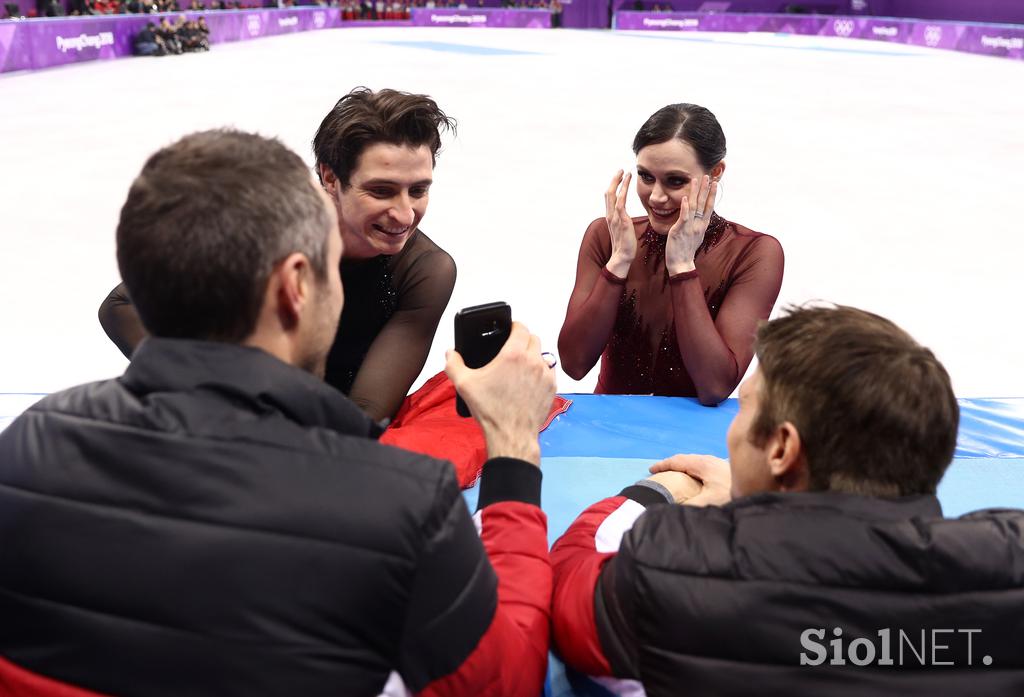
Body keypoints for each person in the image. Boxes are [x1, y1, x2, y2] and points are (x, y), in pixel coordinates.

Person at [0, 129, 557, 697]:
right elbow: (505, 678)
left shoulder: (24, 447)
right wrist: (512, 449)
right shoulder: (400, 504)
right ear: (295, 284)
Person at [550, 304, 1024, 695]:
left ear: (781, 448)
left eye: (745, 406)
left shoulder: (671, 563)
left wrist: (659, 494)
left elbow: (569, 581)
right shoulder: (1008, 561)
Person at [98, 88, 457, 423]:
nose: (405, 214)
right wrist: (214, 394)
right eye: (382, 191)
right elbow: (120, 306)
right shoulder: (262, 227)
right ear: (330, 178)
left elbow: (364, 413)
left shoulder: (424, 271)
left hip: (317, 443)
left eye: (419, 190)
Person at [558, 103, 784, 404]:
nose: (656, 197)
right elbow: (574, 364)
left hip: (694, 443)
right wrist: (618, 263)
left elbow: (715, 386)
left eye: (675, 181)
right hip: (610, 432)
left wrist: (682, 267)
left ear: (715, 173)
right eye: (646, 177)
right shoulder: (607, 237)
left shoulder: (753, 253)